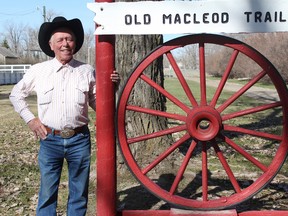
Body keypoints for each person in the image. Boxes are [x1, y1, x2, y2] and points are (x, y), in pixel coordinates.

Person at [9, 16, 119, 215]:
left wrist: (112, 87)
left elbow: (98, 103)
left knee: (79, 194)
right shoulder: (38, 70)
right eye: (60, 40)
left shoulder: (87, 71)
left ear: (75, 43)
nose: (65, 44)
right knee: (47, 193)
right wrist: (31, 120)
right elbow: (16, 94)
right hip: (50, 139)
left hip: (79, 138)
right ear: (51, 45)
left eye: (69, 39)